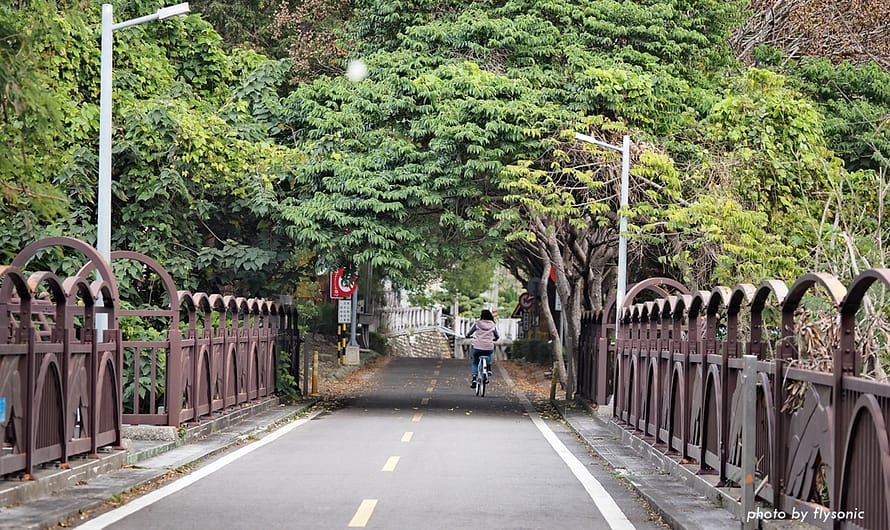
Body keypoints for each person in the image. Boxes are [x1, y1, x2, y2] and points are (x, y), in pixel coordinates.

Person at [466, 309, 499, 388]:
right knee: (490, 352)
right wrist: (495, 338)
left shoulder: (477, 323)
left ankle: (474, 378)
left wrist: (467, 335)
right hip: (488, 346)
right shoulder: (492, 324)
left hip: (477, 346)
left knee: (475, 362)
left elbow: (470, 332)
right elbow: (497, 335)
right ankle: (489, 367)